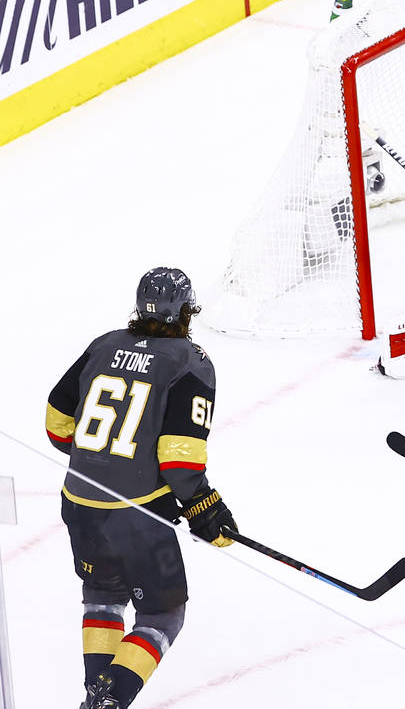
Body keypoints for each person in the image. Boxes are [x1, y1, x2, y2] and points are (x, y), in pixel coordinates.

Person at [45, 267, 238, 708]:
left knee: (103, 597)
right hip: (134, 517)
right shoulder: (191, 361)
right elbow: (179, 457)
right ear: (187, 312)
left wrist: (101, 459)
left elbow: (57, 422)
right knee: (161, 614)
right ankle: (109, 701)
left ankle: (96, 698)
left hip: (78, 503)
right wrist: (204, 506)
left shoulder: (104, 345)